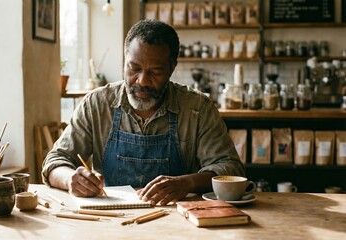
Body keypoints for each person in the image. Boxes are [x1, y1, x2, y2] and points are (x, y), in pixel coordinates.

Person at [42, 19, 244, 206]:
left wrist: (187, 184)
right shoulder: (96, 104)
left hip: (179, 222)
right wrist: (71, 179)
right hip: (111, 220)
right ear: (124, 61)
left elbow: (230, 168)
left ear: (172, 67)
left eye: (155, 72)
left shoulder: (197, 109)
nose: (142, 81)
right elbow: (55, 162)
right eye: (134, 68)